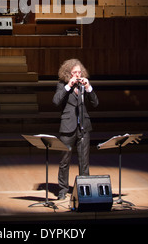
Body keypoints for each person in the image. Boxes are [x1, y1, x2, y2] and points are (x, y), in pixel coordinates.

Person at [52, 58, 99, 200]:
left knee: (84, 160)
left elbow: (95, 103)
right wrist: (68, 86)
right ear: (68, 73)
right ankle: (62, 190)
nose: (77, 75)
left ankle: (84, 190)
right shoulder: (62, 85)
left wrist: (89, 88)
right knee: (64, 161)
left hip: (83, 127)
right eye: (74, 73)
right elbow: (55, 101)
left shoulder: (84, 86)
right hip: (68, 127)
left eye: (79, 72)